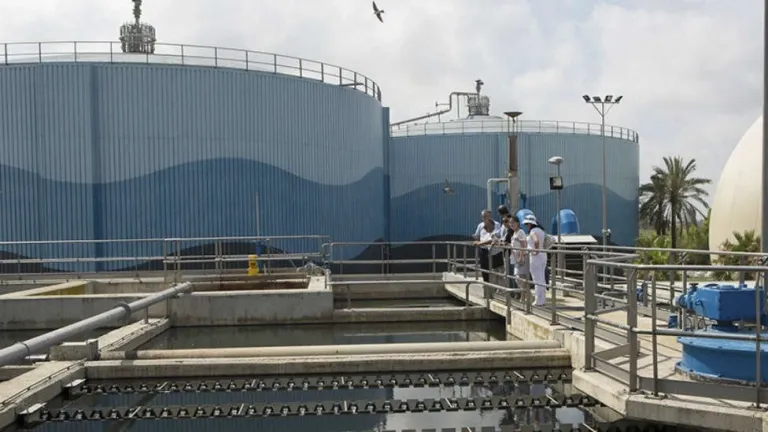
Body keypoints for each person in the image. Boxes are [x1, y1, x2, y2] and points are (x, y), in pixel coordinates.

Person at [523, 214, 548, 306]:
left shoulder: (533, 231)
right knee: (541, 278)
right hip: (543, 254)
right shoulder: (541, 230)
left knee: (536, 278)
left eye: (527, 224)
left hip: (535, 256)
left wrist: (535, 251)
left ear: (530, 223)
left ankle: (538, 301)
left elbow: (536, 241)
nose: (526, 226)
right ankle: (542, 299)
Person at [504, 215, 529, 293]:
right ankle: (524, 296)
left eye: (513, 222)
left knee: (519, 278)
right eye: (510, 222)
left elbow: (523, 245)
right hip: (516, 257)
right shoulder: (515, 232)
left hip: (521, 257)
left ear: (518, 223)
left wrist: (521, 257)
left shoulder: (520, 232)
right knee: (520, 278)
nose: (511, 224)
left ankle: (527, 295)